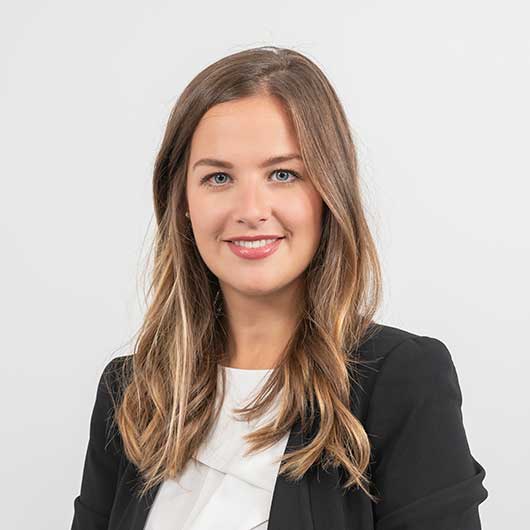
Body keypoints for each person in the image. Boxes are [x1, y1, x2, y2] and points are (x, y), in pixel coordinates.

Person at [70, 46, 488, 530]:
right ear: (182, 200)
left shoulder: (400, 380)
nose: (250, 209)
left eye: (283, 174)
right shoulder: (135, 392)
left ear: (328, 194)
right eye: (218, 177)